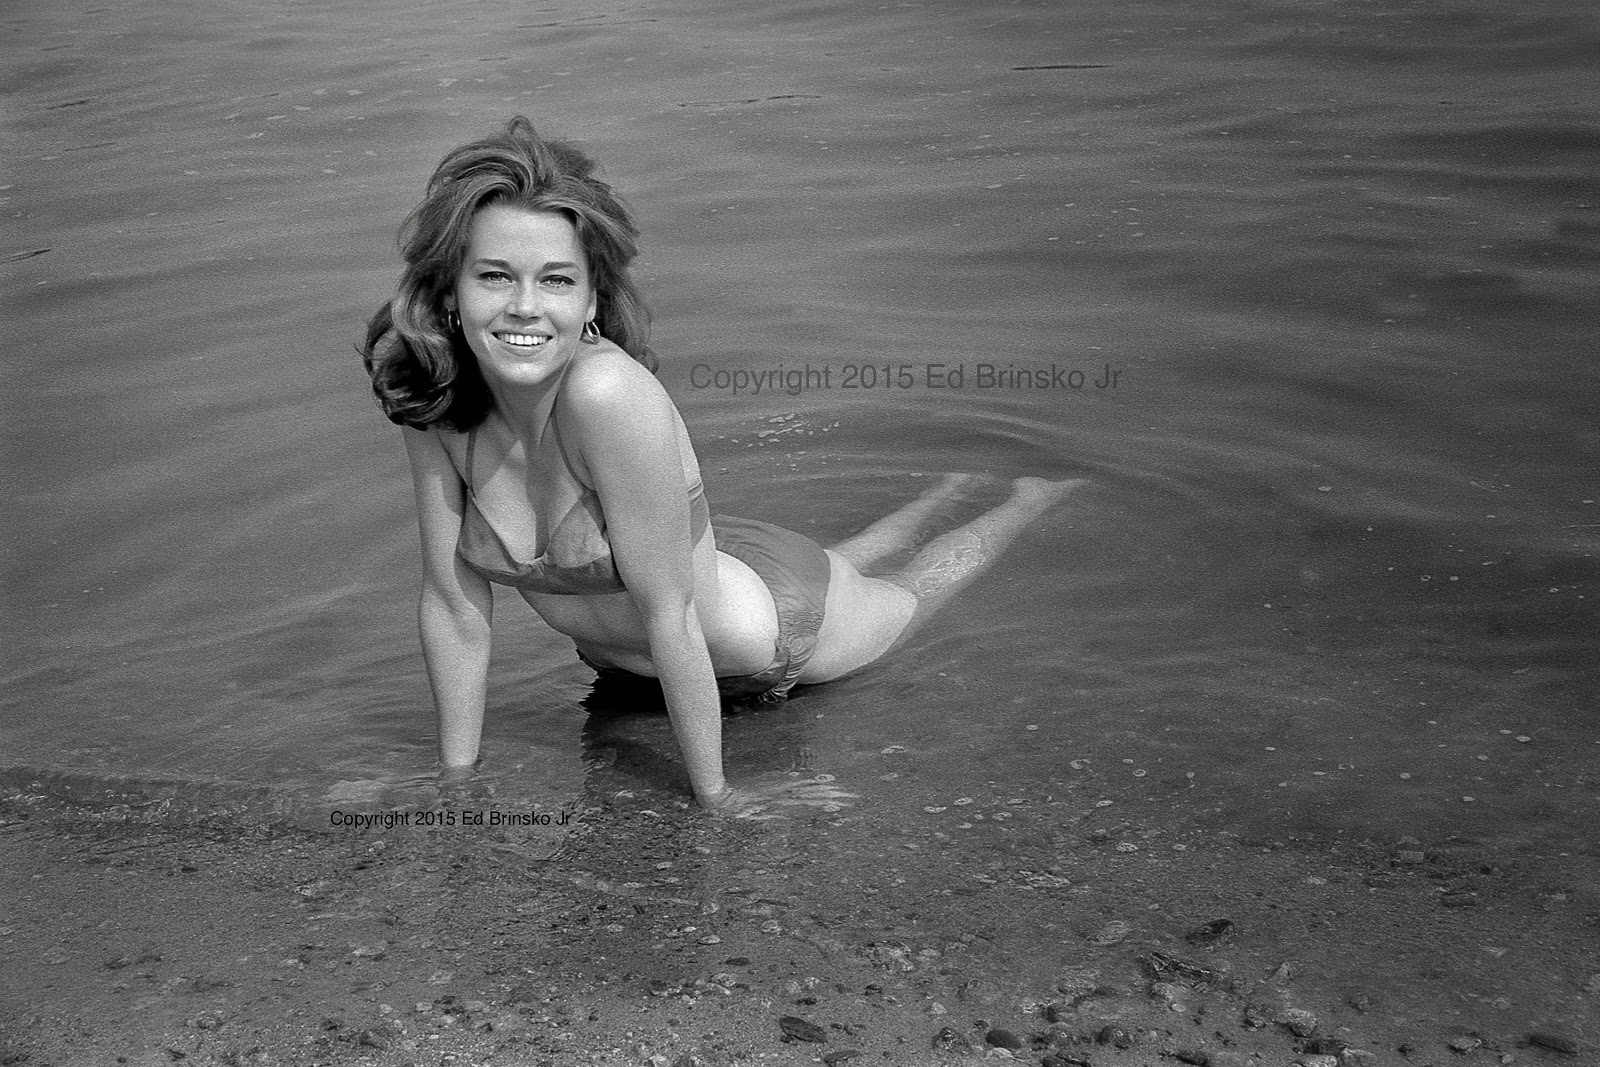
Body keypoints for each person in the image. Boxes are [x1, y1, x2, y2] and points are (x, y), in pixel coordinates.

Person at [361, 116, 1082, 814]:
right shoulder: (434, 391)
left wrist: (717, 796)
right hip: (682, 595)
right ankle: (949, 490)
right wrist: (456, 781)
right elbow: (452, 606)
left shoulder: (605, 394)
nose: (524, 307)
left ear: (591, 300)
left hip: (775, 632)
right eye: (495, 276)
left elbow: (672, 618)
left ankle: (1031, 498)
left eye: (555, 280)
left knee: (919, 586)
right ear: (451, 290)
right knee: (860, 559)